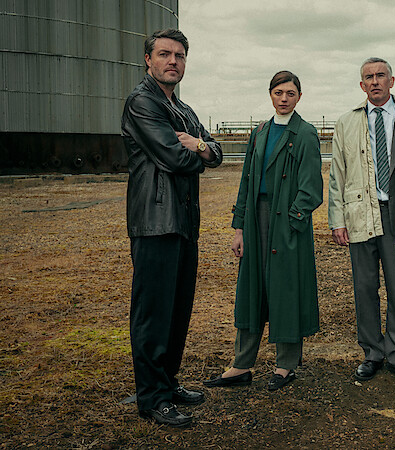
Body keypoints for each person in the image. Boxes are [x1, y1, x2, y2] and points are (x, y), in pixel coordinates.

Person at [122, 28, 222, 427]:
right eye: (164, 54)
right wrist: (195, 150)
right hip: (154, 221)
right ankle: (151, 397)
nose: (173, 62)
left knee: (178, 309)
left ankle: (168, 381)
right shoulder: (141, 102)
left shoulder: (186, 110)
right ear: (148, 59)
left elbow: (213, 152)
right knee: (153, 312)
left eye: (179, 56)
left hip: (183, 222)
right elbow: (174, 158)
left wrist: (196, 144)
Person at [203, 71, 323, 392]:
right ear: (270, 94)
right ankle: (241, 364)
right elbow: (246, 181)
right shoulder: (259, 133)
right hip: (256, 220)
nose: (284, 98)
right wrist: (240, 227)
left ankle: (286, 366)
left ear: (300, 97)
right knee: (252, 288)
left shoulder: (307, 134)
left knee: (286, 289)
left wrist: (293, 223)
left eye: (291, 93)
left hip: (287, 221)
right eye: (279, 92)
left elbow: (312, 188)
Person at [328, 57, 395, 387]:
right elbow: (337, 175)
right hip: (360, 215)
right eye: (368, 77)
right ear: (362, 85)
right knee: (364, 288)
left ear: (392, 81)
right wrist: (337, 219)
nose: (375, 81)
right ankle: (372, 353)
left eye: (380, 76)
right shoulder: (347, 123)